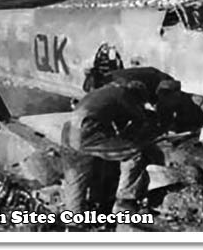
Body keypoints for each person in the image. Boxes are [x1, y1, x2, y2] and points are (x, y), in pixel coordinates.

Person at [60, 81, 163, 214]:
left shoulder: (104, 92)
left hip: (69, 132)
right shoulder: (124, 95)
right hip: (87, 134)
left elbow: (116, 123)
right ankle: (125, 201)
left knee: (74, 179)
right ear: (136, 95)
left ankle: (74, 222)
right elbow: (139, 118)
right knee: (133, 153)